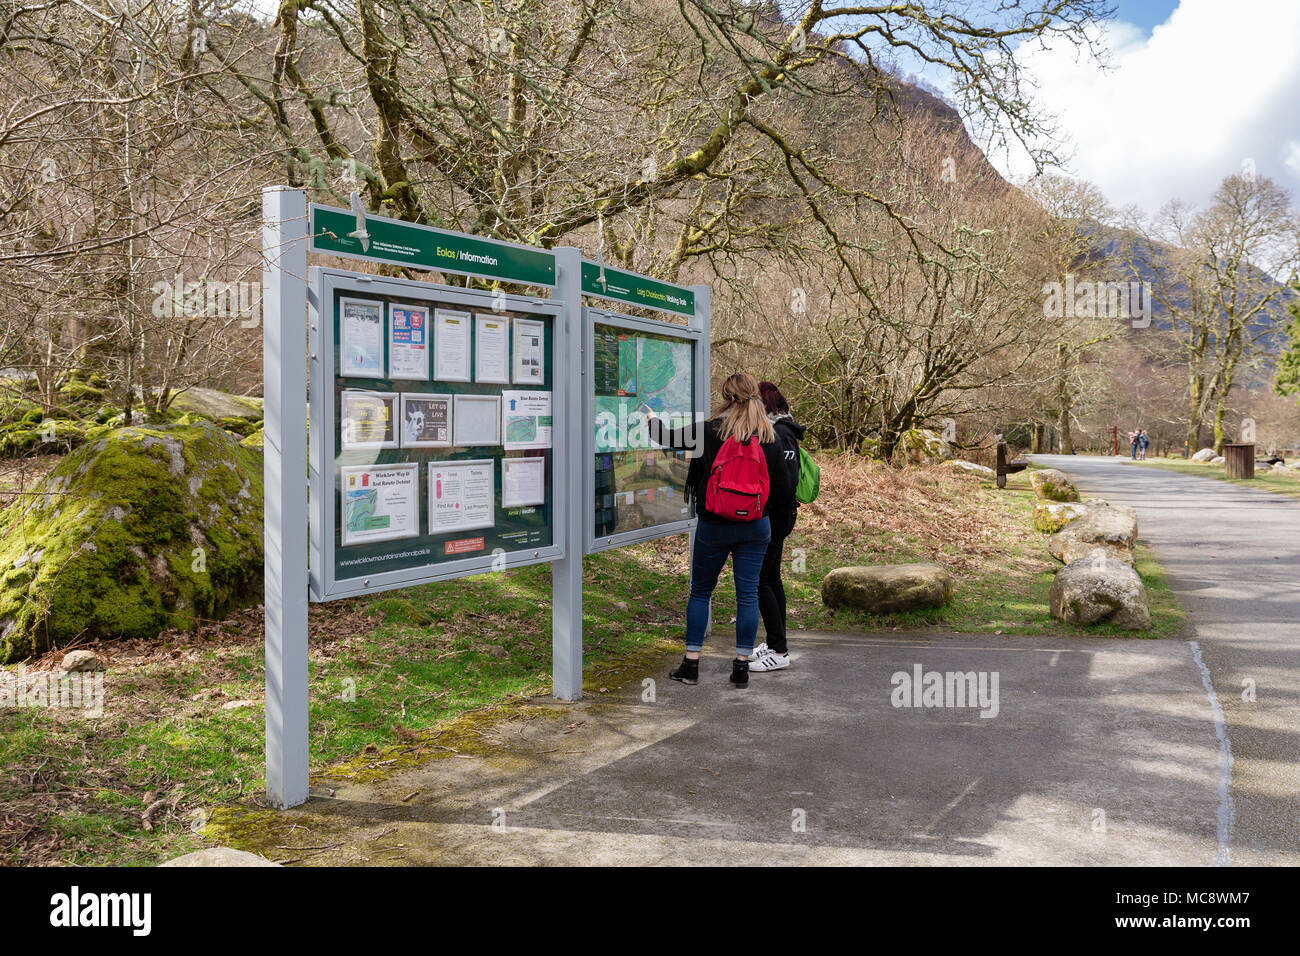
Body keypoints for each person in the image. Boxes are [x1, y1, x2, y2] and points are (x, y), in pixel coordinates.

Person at [644, 373, 793, 688]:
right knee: (748, 594)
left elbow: (667, 437)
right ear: (755, 397)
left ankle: (691, 666)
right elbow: (781, 487)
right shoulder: (770, 436)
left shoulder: (709, 432)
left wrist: (652, 419)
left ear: (725, 397)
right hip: (755, 526)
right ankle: (740, 668)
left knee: (701, 592)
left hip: (713, 525)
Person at [748, 382, 805, 673]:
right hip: (779, 516)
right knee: (772, 578)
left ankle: (779, 650)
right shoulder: (784, 432)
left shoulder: (779, 435)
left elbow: (783, 483)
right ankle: (774, 642)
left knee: (761, 581)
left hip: (775, 517)